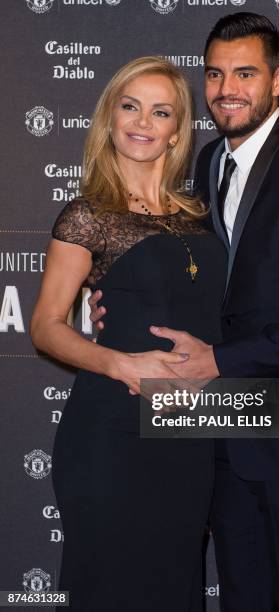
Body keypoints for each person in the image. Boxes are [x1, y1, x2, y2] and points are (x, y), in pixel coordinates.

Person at [90, 14, 279, 612]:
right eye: (214, 74)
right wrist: (116, 291)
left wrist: (220, 359)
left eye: (245, 73)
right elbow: (196, 277)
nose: (226, 89)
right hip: (223, 431)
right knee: (244, 595)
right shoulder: (207, 163)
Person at [30, 56, 227, 611]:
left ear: (176, 130)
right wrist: (118, 362)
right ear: (110, 118)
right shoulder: (88, 216)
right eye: (130, 106)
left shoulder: (201, 217)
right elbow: (45, 326)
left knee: (174, 588)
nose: (142, 122)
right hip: (111, 431)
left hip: (188, 436)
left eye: (159, 111)